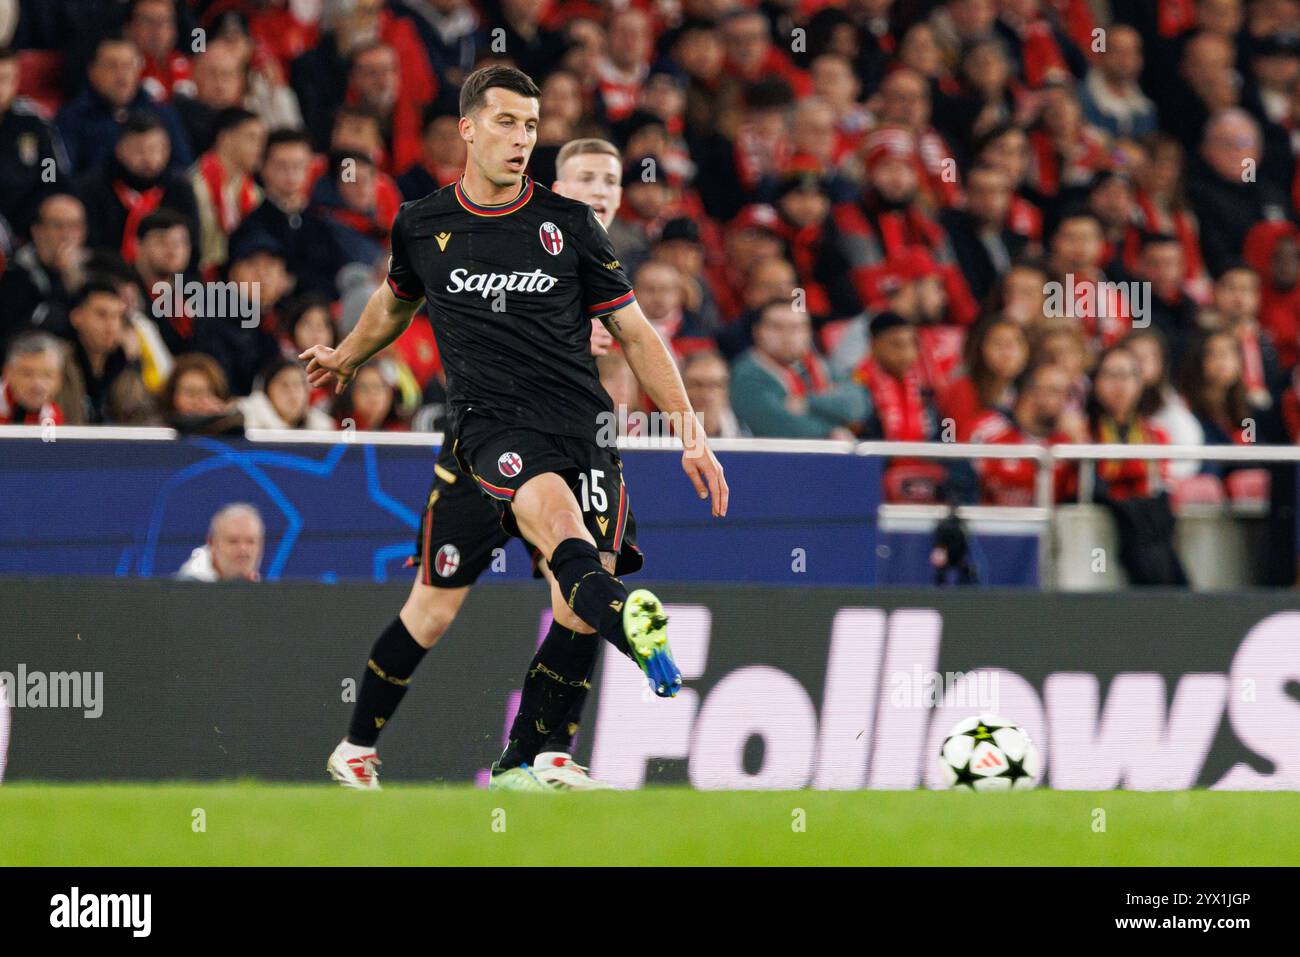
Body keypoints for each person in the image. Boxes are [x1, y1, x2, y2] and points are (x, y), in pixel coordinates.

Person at [306, 68, 727, 792]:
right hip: (490, 428)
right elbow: (392, 301)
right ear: (468, 128)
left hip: (583, 431)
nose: (522, 138)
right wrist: (347, 355)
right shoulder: (423, 222)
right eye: (507, 123)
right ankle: (357, 744)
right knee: (448, 601)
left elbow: (636, 331)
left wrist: (690, 428)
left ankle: (528, 760)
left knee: (575, 598)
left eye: (532, 126)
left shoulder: (568, 226)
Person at [177, 503, 264, 582]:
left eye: (250, 541)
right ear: (212, 543)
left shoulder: (258, 586)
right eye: (233, 541)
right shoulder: (186, 589)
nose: (243, 549)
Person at [0, 331, 65, 425]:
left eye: (47, 375)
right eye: (27, 374)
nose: (37, 384)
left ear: (59, 379)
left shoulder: (52, 416)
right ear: (8, 373)